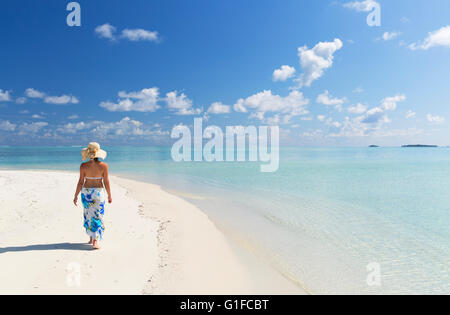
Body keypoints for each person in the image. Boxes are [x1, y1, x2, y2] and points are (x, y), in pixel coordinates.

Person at [73, 142, 112, 249]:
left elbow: (80, 182)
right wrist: (109, 195)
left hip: (86, 193)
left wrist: (76, 195)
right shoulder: (104, 166)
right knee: (97, 215)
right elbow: (106, 181)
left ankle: (91, 237)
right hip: (98, 193)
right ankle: (95, 240)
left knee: (88, 214)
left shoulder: (83, 166)